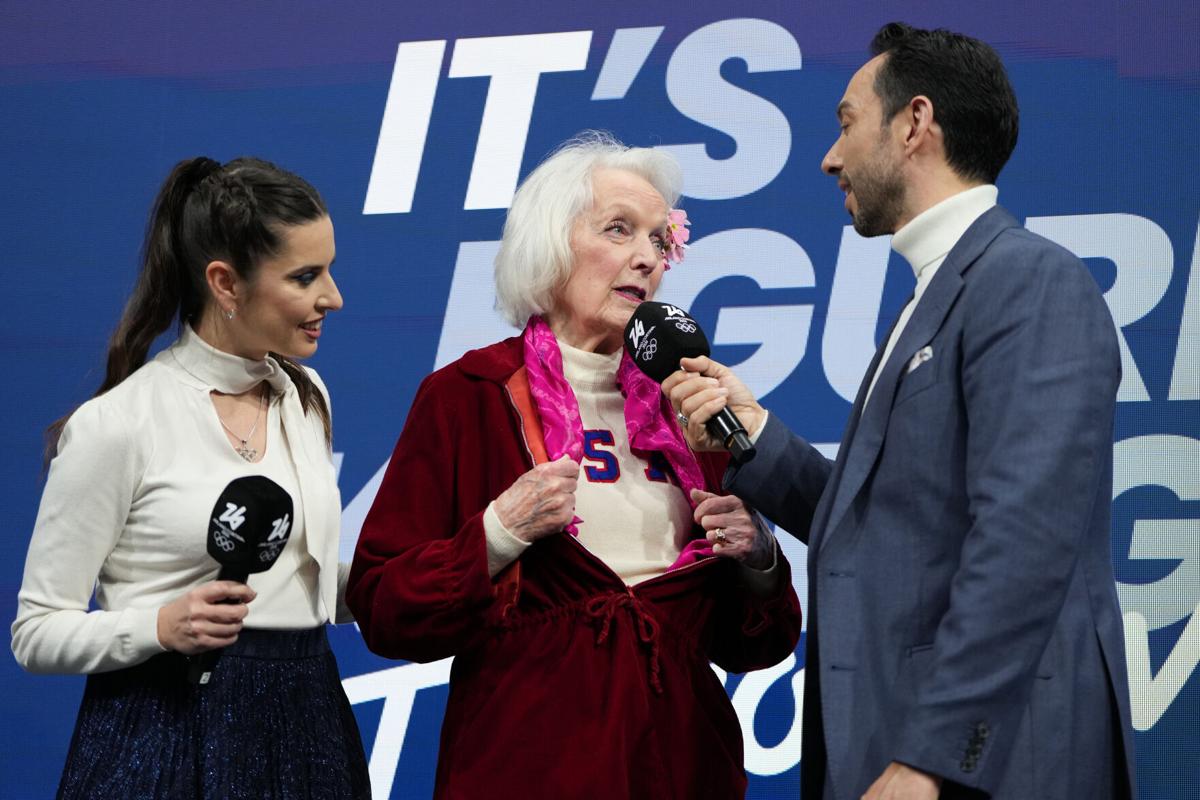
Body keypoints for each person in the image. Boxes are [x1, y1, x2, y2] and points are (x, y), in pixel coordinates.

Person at [664, 23, 1136, 800]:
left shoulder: (1029, 282)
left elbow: (1025, 537)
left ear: (915, 123)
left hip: (990, 763)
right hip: (900, 744)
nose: (830, 156)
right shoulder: (928, 302)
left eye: (847, 122)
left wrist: (935, 756)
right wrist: (752, 437)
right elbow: (887, 531)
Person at [347, 132, 802, 799]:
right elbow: (385, 608)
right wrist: (499, 531)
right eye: (620, 230)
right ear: (550, 244)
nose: (647, 257)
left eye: (659, 240)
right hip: (528, 759)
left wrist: (759, 561)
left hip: (679, 761)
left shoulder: (695, 405)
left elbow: (754, 645)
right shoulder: (467, 395)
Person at [11, 157, 370, 799]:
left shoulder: (306, 395)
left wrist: (461, 563)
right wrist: (159, 627)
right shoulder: (117, 424)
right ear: (225, 283)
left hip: (309, 720)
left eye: (329, 269)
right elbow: (37, 633)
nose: (333, 297)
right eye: (305, 276)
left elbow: (305, 586)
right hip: (161, 730)